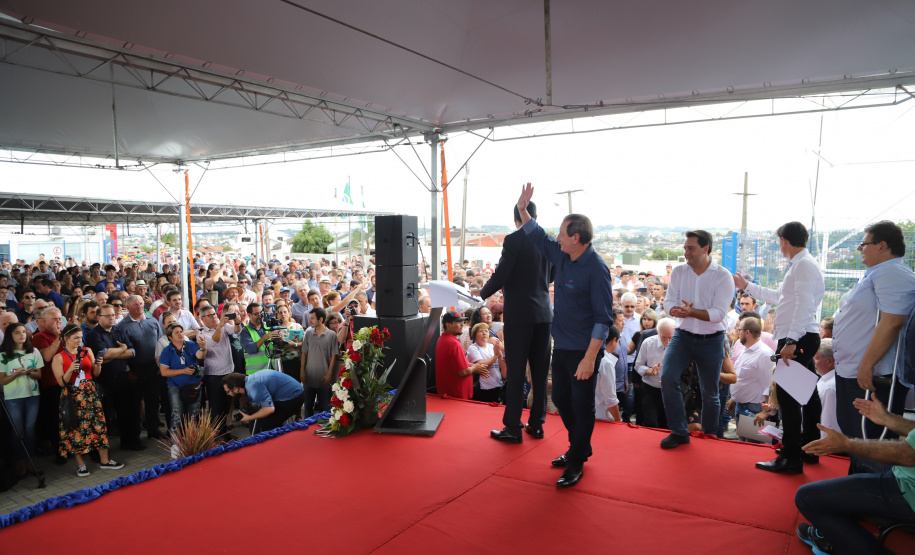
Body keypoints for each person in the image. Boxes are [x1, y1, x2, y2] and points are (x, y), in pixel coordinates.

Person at [516, 183, 614, 488]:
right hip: (562, 346)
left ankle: (576, 461)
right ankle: (580, 446)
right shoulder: (561, 254)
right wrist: (522, 210)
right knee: (559, 398)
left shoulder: (597, 270)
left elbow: (603, 319)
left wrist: (589, 358)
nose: (557, 238)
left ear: (576, 238)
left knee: (582, 406)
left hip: (585, 350)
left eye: (562, 233)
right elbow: (537, 235)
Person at [735, 221, 825, 472]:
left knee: (789, 399)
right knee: (807, 395)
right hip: (800, 336)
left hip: (798, 337)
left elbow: (804, 305)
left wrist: (791, 341)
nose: (779, 246)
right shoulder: (801, 265)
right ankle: (807, 449)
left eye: (778, 241)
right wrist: (747, 286)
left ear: (785, 240)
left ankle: (791, 456)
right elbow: (781, 298)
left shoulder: (804, 266)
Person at [833, 221, 915, 475]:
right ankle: (857, 491)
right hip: (855, 371)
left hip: (875, 376)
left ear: (882, 246)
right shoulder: (879, 273)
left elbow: (892, 322)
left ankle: (874, 500)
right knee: (856, 438)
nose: (860, 249)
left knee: (872, 440)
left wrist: (866, 366)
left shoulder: (893, 273)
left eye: (864, 244)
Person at [795, 396, 915, 555]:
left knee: (806, 498)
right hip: (906, 476)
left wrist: (847, 444)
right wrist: (887, 419)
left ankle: (840, 539)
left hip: (908, 490)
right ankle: (842, 531)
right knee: (859, 460)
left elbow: (907, 456)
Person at [481, 198, 554, 444]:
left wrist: (482, 293)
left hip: (520, 316)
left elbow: (502, 274)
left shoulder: (513, 240)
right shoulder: (547, 241)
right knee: (540, 372)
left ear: (515, 219)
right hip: (544, 314)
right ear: (536, 217)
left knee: (515, 371)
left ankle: (513, 427)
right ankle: (537, 423)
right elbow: (552, 273)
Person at [660, 230, 734, 448]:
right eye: (685, 248)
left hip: (712, 340)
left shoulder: (722, 276)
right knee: (667, 378)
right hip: (682, 336)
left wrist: (690, 312)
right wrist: (676, 311)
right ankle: (679, 431)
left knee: (710, 392)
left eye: (690, 248)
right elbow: (668, 302)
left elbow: (719, 314)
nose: (686, 253)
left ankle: (710, 437)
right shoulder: (679, 272)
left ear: (705, 249)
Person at [51, 324, 123, 477]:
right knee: (75, 428)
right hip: (72, 396)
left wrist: (98, 365)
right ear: (66, 339)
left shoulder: (87, 351)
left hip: (90, 393)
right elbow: (61, 382)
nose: (79, 340)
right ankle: (81, 464)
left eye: (80, 337)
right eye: (75, 338)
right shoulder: (58, 357)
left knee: (99, 425)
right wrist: (70, 368)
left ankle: (105, 460)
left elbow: (95, 373)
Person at [85, 304, 143, 451]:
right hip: (104, 379)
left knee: (126, 411)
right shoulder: (93, 334)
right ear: (99, 317)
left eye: (113, 315)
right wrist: (121, 349)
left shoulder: (119, 330)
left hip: (122, 377)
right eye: (108, 316)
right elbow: (103, 355)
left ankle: (129, 442)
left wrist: (115, 353)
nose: (112, 318)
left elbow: (132, 352)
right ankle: (100, 450)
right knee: (103, 414)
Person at [117, 295, 166, 440]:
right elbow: (120, 350)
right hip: (134, 369)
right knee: (134, 404)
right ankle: (135, 435)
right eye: (135, 304)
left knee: (153, 401)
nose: (139, 306)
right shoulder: (122, 326)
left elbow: (160, 342)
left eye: (141, 303)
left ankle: (153, 430)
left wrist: (161, 363)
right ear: (127, 307)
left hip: (153, 367)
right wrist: (128, 371)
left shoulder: (152, 320)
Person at [0, 323, 43, 476]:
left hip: (32, 395)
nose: (22, 335)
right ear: (10, 335)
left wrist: (29, 373)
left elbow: (39, 375)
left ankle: (30, 461)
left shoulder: (34, 351)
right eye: (17, 332)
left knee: (30, 430)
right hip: (13, 397)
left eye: (24, 332)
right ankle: (20, 463)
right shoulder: (3, 354)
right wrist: (16, 374)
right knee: (17, 431)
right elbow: (3, 381)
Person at [725, 316, 774, 441]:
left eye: (739, 330)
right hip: (742, 407)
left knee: (754, 449)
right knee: (743, 448)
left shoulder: (764, 354)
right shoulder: (745, 350)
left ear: (747, 332)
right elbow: (744, 379)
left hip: (755, 410)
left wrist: (766, 413)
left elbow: (770, 386)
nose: (737, 333)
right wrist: (734, 398)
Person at [158, 322, 207, 444]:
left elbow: (200, 355)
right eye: (176, 332)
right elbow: (163, 372)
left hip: (194, 385)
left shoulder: (190, 344)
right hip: (175, 386)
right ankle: (175, 445)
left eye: (181, 331)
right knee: (177, 415)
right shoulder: (166, 351)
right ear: (170, 337)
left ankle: (193, 444)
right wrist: (183, 371)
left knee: (193, 415)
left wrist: (203, 347)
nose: (180, 334)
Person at [198, 304, 240, 438]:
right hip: (213, 375)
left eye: (214, 314)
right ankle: (215, 437)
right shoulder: (201, 332)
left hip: (228, 372)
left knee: (227, 406)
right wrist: (220, 326)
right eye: (210, 315)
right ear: (202, 319)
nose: (214, 317)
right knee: (216, 408)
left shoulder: (223, 326)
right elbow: (214, 341)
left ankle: (224, 434)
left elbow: (236, 331)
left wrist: (237, 322)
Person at [223, 371, 305, 434]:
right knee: (255, 425)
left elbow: (269, 409)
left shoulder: (253, 388)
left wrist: (249, 418)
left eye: (228, 391)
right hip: (290, 392)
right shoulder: (249, 381)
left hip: (294, 397)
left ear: (235, 389)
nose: (228, 394)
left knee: (263, 426)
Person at [435, 311, 490, 400]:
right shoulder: (453, 343)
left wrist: (474, 365)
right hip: (457, 395)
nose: (462, 324)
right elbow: (463, 372)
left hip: (450, 393)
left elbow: (457, 364)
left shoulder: (442, 339)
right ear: (448, 325)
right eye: (458, 322)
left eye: (462, 322)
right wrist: (475, 368)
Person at [635, 318, 675, 429]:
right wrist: (649, 371)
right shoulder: (648, 343)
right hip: (650, 388)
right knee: (651, 422)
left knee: (667, 423)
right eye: (664, 337)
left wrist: (672, 378)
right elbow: (638, 365)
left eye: (670, 337)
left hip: (670, 390)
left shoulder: (678, 345)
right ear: (658, 332)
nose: (667, 341)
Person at [300, 307, 339, 418]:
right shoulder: (308, 333)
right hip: (309, 378)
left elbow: (333, 356)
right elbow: (304, 353)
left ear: (320, 319)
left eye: (312, 318)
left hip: (324, 380)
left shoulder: (331, 335)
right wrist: (302, 372)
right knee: (308, 407)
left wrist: (329, 374)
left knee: (325, 409)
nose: (310, 321)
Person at [466, 322, 505, 404]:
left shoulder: (491, 346)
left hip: (497, 385)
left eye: (486, 331)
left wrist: (500, 355)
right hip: (484, 388)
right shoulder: (473, 348)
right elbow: (482, 366)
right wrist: (496, 356)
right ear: (474, 335)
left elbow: (501, 366)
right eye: (481, 331)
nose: (484, 333)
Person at [240, 302, 282, 375]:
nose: (260, 316)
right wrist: (265, 337)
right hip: (255, 373)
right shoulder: (245, 331)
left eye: (261, 313)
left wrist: (280, 339)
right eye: (256, 314)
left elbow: (278, 347)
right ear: (249, 315)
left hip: (272, 370)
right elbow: (250, 349)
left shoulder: (268, 327)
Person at [594, 325, 622, 422]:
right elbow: (610, 398)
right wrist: (618, 419)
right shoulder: (605, 363)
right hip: (602, 417)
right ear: (614, 340)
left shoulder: (589, 355)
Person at [814, 339, 838, 438]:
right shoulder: (824, 380)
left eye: (816, 358)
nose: (813, 362)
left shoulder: (830, 387)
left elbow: (829, 424)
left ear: (829, 361)